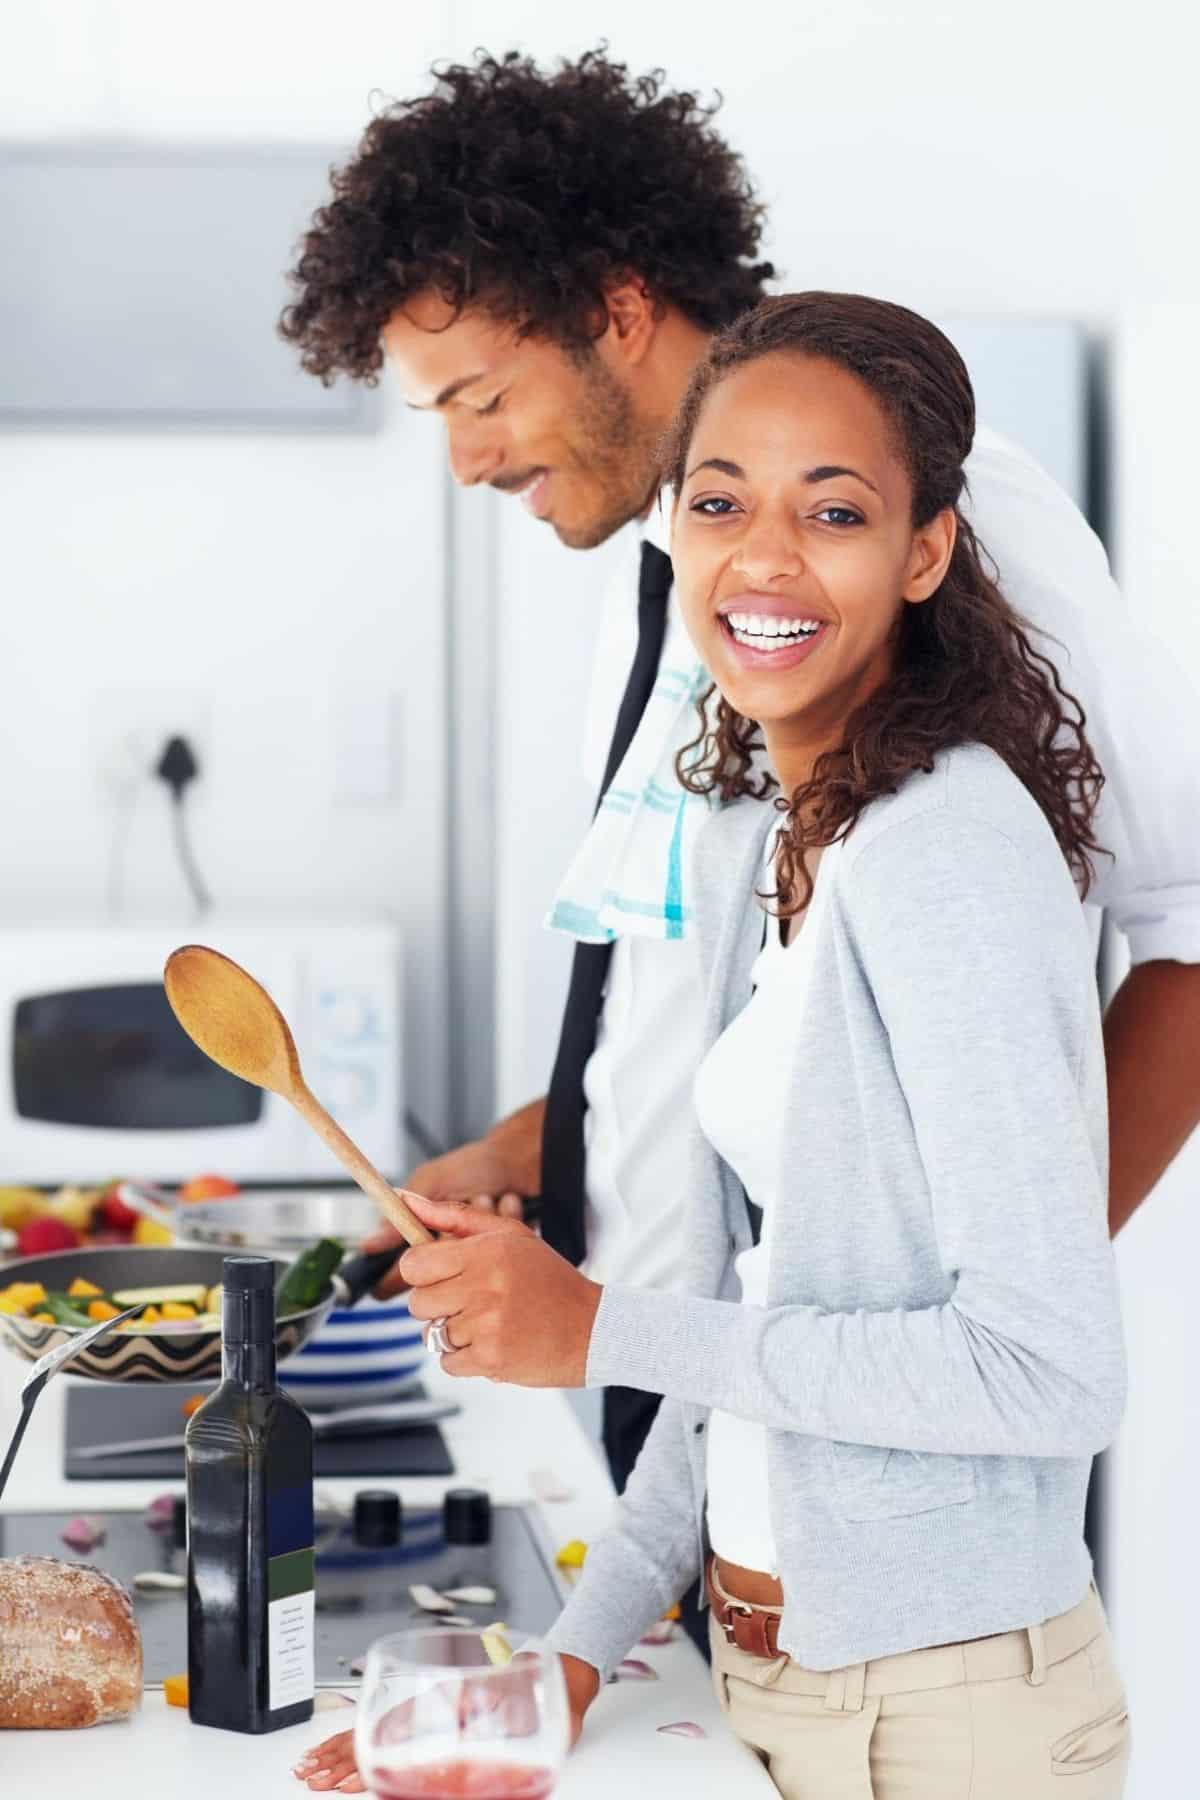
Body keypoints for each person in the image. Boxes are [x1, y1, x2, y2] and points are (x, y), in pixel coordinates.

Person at [278, 57, 1200, 1515]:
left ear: (617, 311)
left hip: (853, 1473)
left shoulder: (947, 519)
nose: (463, 460)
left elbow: (1193, 930)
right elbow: (720, 1004)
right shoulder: (672, 574)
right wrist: (545, 1147)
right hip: (681, 1449)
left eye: (482, 395)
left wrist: (990, 1337)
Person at [296, 291, 1133, 1796]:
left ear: (925, 552)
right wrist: (574, 1650)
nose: (762, 556)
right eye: (722, 501)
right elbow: (757, 1316)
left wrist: (599, 1327)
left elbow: (1045, 1369)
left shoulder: (949, 856)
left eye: (835, 512)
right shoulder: (793, 844)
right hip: (770, 1678)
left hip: (945, 1718)